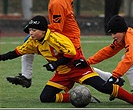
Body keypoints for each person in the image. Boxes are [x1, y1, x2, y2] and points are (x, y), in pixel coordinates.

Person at [1, 15, 133, 104]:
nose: (30, 33)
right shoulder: (32, 42)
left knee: (104, 87)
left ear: (42, 30)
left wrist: (115, 75)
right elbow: (17, 52)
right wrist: (1, 57)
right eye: (29, 30)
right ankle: (84, 98)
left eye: (33, 30)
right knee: (45, 98)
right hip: (62, 73)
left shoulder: (56, 39)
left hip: (77, 68)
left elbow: (71, 53)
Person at [87, 15, 133, 94]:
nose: (113, 36)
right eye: (112, 34)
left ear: (122, 30)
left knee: (126, 59)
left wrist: (114, 76)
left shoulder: (130, 37)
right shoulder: (124, 36)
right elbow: (107, 52)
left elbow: (129, 58)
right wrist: (88, 62)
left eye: (114, 33)